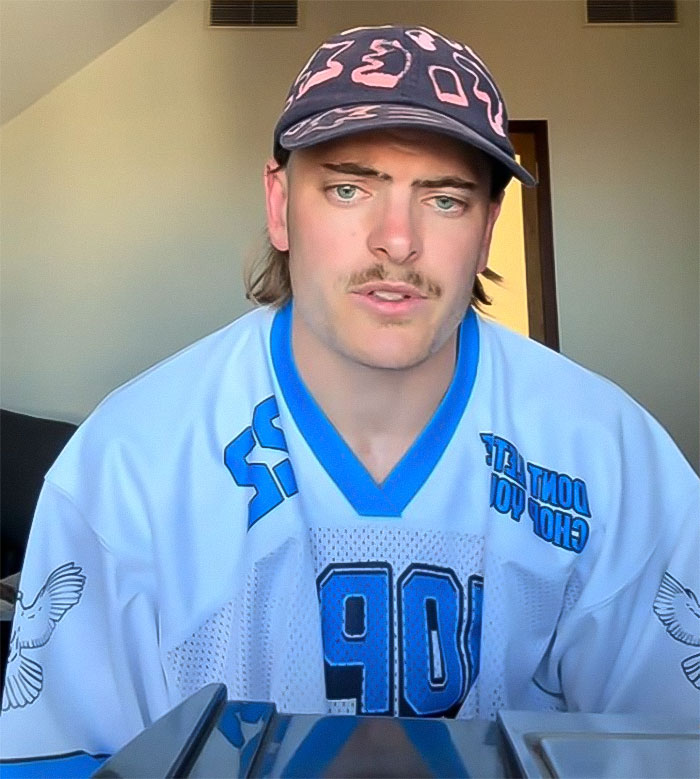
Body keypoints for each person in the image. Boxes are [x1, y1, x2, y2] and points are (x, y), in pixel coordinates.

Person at [2, 24, 698, 764]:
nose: (396, 240)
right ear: (279, 205)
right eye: (348, 187)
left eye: (445, 199)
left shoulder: (613, 457)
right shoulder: (126, 464)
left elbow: (671, 743)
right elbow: (61, 755)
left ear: (488, 228)